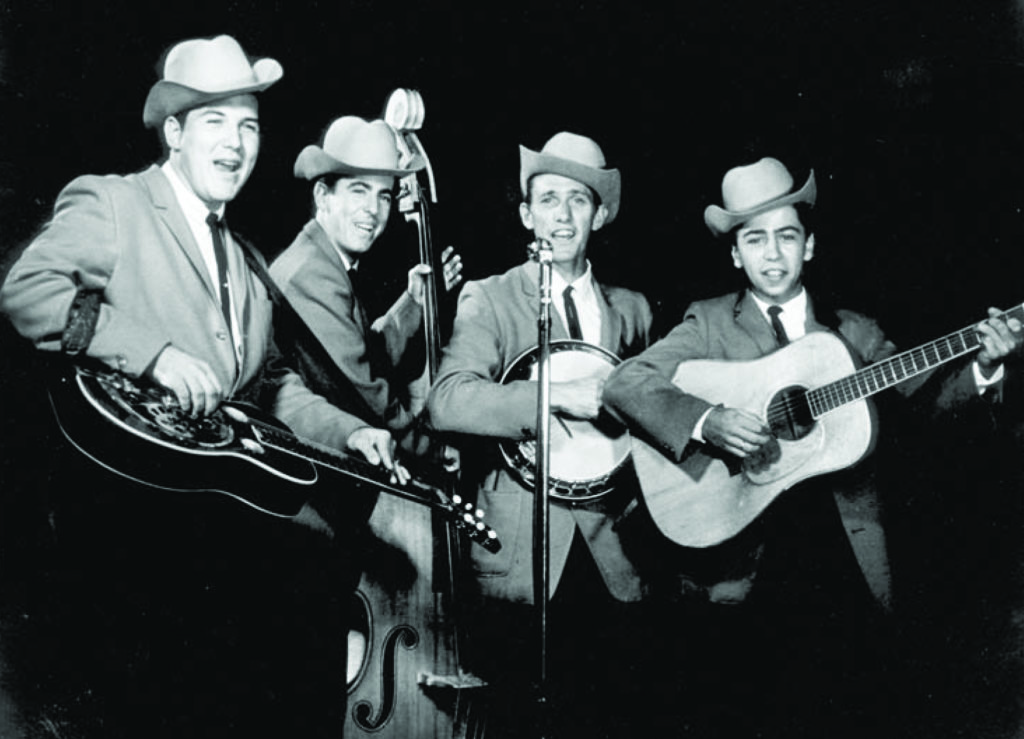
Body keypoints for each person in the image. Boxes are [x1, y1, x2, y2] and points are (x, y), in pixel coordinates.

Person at [0, 35, 386, 739]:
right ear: (174, 133)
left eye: (250, 125)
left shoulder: (245, 262)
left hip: (222, 550)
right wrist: (154, 353)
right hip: (128, 544)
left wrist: (347, 430)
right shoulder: (115, 203)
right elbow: (28, 290)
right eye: (215, 121)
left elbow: (268, 385)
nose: (237, 142)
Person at [600, 156, 1023, 738]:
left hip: (843, 561)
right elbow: (624, 384)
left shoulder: (854, 332)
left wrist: (984, 368)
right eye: (755, 239)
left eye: (787, 236)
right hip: (743, 563)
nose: (772, 254)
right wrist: (707, 420)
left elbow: (933, 405)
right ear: (734, 254)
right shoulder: (708, 323)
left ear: (810, 246)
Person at [426, 131, 656, 739]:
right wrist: (552, 397)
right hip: (522, 559)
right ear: (527, 214)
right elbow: (447, 401)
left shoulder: (633, 311)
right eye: (547, 199)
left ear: (599, 215)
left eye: (577, 201)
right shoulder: (492, 298)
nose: (561, 216)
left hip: (614, 553)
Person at [269, 114, 463, 698]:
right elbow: (367, 396)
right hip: (304, 504)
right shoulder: (311, 274)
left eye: (383, 194)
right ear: (321, 195)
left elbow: (357, 353)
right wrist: (441, 451)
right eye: (357, 190)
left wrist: (412, 303)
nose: (374, 211)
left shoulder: (328, 264)